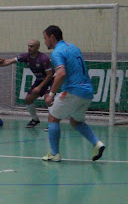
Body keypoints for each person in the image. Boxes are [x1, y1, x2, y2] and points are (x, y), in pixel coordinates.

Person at [41, 25, 105, 162]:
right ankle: (97, 143)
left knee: (53, 117)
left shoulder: (57, 52)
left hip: (73, 91)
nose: (45, 42)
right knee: (76, 121)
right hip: (87, 92)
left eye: (45, 38)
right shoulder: (73, 47)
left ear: (52, 37)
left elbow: (61, 74)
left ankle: (55, 154)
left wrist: (51, 95)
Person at [0, 39, 54, 128]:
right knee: (28, 99)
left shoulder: (43, 59)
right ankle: (35, 119)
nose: (29, 48)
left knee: (48, 100)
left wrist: (39, 87)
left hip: (50, 81)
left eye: (32, 46)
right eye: (29, 46)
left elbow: (49, 75)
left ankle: (52, 123)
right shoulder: (25, 56)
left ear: (37, 47)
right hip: (39, 80)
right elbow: (9, 61)